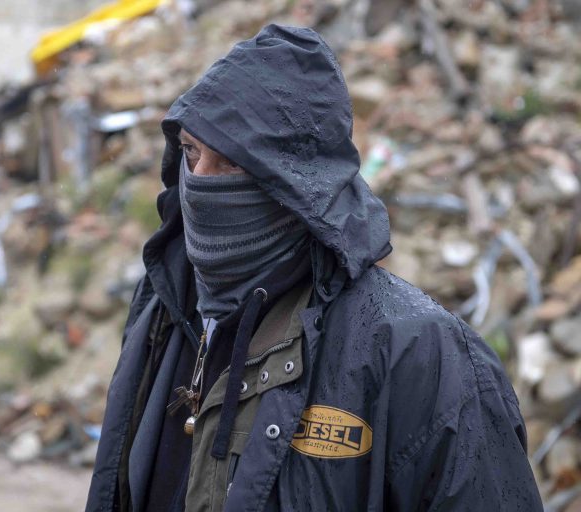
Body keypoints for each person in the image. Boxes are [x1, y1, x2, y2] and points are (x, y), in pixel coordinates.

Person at [86, 24, 542, 511]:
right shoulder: (164, 304)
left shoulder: (418, 354)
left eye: (232, 163)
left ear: (296, 186)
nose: (199, 182)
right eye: (191, 151)